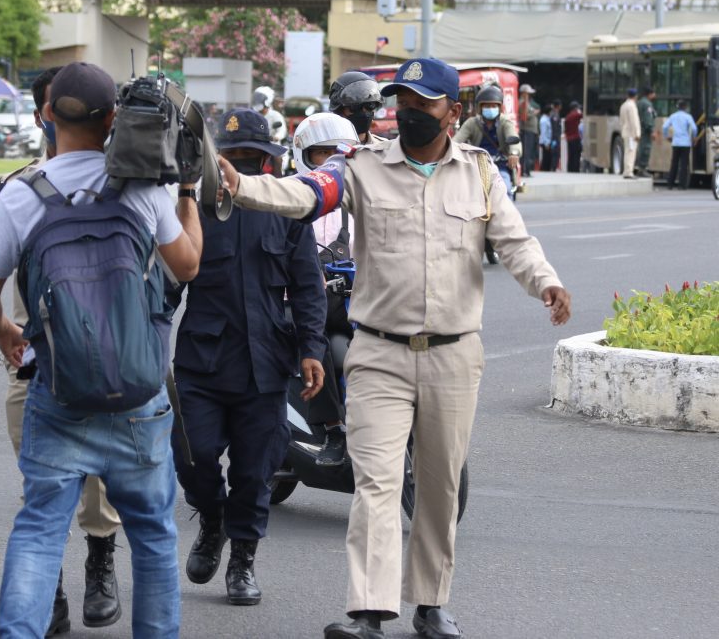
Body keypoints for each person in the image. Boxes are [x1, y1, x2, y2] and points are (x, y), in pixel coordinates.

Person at [215, 57, 572, 639]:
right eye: (399, 103)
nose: (407, 114)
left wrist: (546, 282)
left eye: (421, 104)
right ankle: (370, 612)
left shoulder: (481, 173)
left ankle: (430, 604)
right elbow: (306, 193)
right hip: (378, 353)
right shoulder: (360, 167)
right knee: (377, 481)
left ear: (452, 112)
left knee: (438, 485)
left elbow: (515, 241)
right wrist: (243, 185)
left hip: (454, 356)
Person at [0, 61, 202, 639]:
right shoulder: (146, 188)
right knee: (152, 531)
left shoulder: (23, 195)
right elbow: (188, 266)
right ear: (112, 120)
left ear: (47, 115)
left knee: (40, 529)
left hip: (59, 392)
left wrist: (4, 330)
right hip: (138, 398)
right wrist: (189, 192)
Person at [0, 67, 123, 635]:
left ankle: (100, 559)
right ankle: (51, 590)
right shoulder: (18, 188)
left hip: (111, 363)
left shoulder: (125, 182)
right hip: (35, 363)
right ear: (44, 114)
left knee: (101, 484)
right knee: (43, 485)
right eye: (51, 104)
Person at [173, 107, 327, 607]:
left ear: (269, 162)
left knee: (254, 471)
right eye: (232, 158)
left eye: (253, 159)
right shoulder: (193, 207)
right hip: (203, 359)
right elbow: (170, 284)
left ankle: (242, 560)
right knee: (191, 455)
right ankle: (212, 519)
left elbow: (308, 285)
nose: (242, 167)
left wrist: (312, 349)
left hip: (265, 363)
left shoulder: (285, 211)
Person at [292, 112, 360, 466]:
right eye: (322, 154)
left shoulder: (357, 201)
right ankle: (334, 430)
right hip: (305, 301)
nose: (332, 161)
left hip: (352, 299)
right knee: (321, 346)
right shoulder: (294, 198)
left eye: (339, 153)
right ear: (304, 155)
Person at [452, 83, 522, 200]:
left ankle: (506, 217)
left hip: (500, 166)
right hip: (476, 165)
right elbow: (457, 140)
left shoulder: (505, 122)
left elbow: (514, 139)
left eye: (494, 106)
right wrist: (449, 150)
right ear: (480, 107)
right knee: (463, 192)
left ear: (499, 108)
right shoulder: (472, 123)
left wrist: (514, 153)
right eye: (487, 106)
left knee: (505, 189)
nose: (490, 109)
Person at [329, 71, 385, 145]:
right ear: (339, 110)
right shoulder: (327, 149)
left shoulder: (385, 148)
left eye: (370, 106)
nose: (364, 112)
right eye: (356, 107)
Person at [663, 99, 698, 190]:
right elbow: (694, 128)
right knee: (683, 165)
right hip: (685, 143)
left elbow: (665, 126)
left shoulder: (673, 116)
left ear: (677, 107)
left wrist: (666, 136)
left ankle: (670, 184)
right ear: (685, 107)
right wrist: (694, 137)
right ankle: (682, 185)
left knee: (674, 163)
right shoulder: (688, 117)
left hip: (675, 143)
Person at [517, 84, 539, 177]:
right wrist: (534, 113)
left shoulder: (527, 102)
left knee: (530, 151)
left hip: (531, 130)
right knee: (526, 151)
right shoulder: (522, 102)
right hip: (526, 130)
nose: (529, 95)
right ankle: (524, 170)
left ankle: (527, 170)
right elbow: (523, 116)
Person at [636, 86, 658, 176]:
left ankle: (640, 169)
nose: (655, 95)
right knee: (646, 149)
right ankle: (642, 169)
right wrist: (652, 130)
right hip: (645, 131)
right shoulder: (647, 104)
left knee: (641, 148)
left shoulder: (640, 102)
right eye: (653, 93)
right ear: (650, 94)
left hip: (640, 129)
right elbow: (648, 118)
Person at [620, 88, 640, 179]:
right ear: (635, 96)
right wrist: (637, 134)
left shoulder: (623, 105)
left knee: (627, 152)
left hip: (625, 132)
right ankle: (629, 172)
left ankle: (626, 171)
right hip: (631, 134)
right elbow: (634, 121)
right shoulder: (632, 106)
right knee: (631, 152)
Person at [564, 101, 583, 173]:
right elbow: (581, 115)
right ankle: (575, 169)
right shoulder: (575, 115)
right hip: (575, 137)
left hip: (569, 138)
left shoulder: (567, 116)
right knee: (576, 155)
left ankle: (570, 169)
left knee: (571, 155)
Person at [539, 104, 553, 171]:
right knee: (546, 157)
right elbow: (543, 132)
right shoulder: (544, 120)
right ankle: (544, 169)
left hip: (547, 141)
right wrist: (546, 143)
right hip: (545, 141)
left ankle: (546, 169)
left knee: (548, 156)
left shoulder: (547, 119)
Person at [549, 98, 563, 170]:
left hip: (556, 136)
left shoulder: (556, 113)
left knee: (556, 152)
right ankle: (553, 167)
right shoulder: (553, 114)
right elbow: (554, 127)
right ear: (558, 106)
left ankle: (554, 166)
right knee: (555, 152)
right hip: (554, 136)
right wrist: (555, 137)